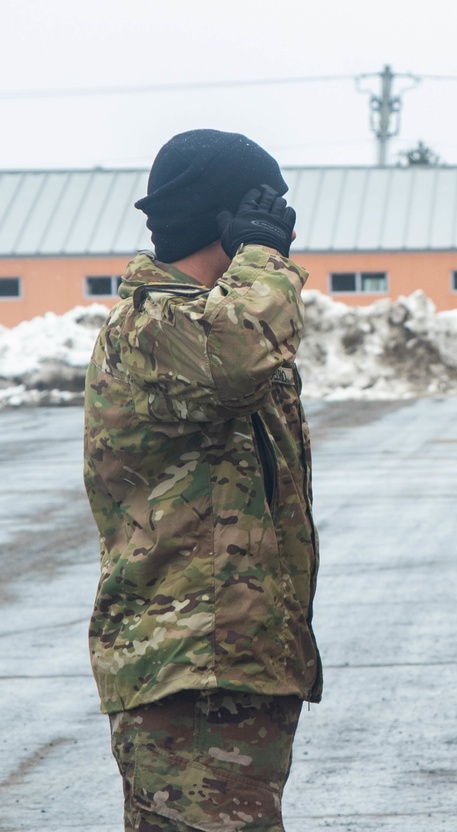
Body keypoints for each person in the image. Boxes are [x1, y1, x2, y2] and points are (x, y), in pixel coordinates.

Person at [83, 129, 322, 832]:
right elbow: (239, 355)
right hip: (189, 671)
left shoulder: (201, 323)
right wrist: (261, 257)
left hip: (229, 666)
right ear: (228, 218)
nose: (282, 229)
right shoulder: (156, 325)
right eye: (266, 211)